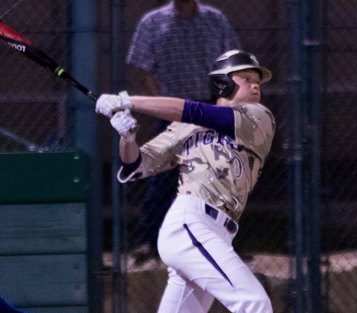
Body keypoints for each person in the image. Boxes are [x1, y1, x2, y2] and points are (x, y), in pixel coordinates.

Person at [96, 50, 275, 312]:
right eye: (246, 78)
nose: (255, 84)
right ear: (222, 83)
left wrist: (128, 101)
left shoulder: (259, 117)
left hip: (220, 233)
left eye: (257, 80)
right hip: (191, 223)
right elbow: (135, 165)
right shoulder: (185, 127)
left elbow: (194, 111)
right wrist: (128, 136)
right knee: (254, 303)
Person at [126, 0, 241, 262]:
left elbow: (232, 66)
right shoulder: (153, 22)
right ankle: (151, 241)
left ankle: (218, 241)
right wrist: (161, 106)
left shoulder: (215, 19)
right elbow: (145, 70)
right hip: (173, 110)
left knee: (217, 175)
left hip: (210, 106)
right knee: (164, 176)